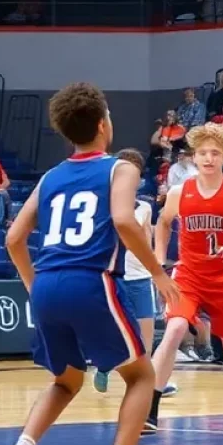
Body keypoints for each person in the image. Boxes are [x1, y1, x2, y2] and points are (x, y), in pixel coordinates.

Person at [0, 83, 177, 445]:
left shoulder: (50, 176)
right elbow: (121, 220)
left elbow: (14, 238)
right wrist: (157, 270)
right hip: (92, 280)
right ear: (102, 124)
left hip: (47, 285)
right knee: (141, 376)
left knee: (66, 381)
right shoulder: (120, 169)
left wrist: (34, 286)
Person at [147, 122, 223, 434]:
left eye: (215, 153)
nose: (208, 158)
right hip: (188, 275)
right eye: (202, 153)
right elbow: (162, 223)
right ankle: (151, 407)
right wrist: (160, 258)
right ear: (194, 156)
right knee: (174, 329)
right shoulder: (180, 191)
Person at [93, 149, 157, 394]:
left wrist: (156, 268)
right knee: (114, 334)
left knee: (146, 339)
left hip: (141, 276)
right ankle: (104, 366)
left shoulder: (145, 207)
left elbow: (147, 240)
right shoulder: (104, 204)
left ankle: (148, 384)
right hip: (114, 278)